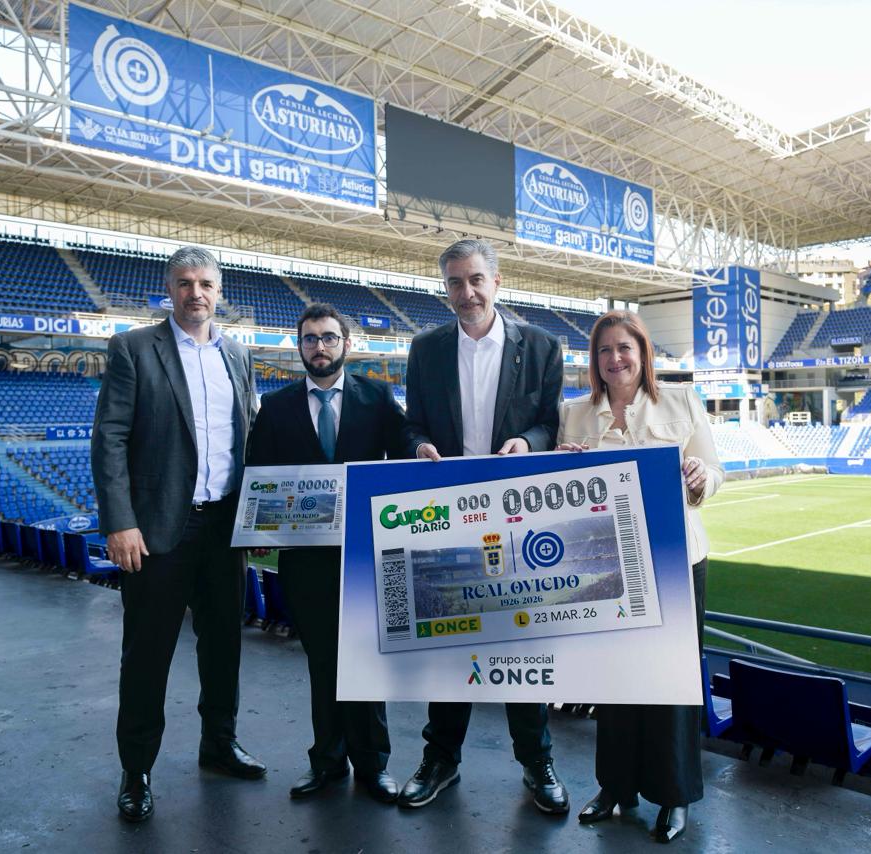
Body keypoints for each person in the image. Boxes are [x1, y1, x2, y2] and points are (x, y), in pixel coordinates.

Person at [91, 245, 264, 824]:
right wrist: (119, 521)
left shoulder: (238, 355)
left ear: (220, 291)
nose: (196, 293)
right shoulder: (135, 348)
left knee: (224, 648)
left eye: (206, 284)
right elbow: (109, 438)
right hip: (159, 528)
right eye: (185, 283)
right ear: (170, 289)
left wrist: (260, 519)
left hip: (225, 526)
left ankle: (219, 743)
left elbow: (250, 440)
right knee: (147, 655)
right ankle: (136, 770)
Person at [398, 238, 568, 814]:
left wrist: (529, 442)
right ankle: (440, 758)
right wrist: (418, 443)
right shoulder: (425, 350)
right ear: (444, 287)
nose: (465, 293)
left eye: (475, 280)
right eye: (454, 283)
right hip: (447, 518)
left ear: (496, 282)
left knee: (520, 641)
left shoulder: (542, 347)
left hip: (516, 518)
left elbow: (550, 424)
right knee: (452, 645)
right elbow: (412, 422)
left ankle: (536, 761)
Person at [556, 309, 722, 844]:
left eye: (624, 348)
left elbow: (715, 474)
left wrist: (701, 477)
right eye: (604, 350)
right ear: (594, 360)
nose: (614, 359)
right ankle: (615, 788)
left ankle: (674, 797)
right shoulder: (574, 414)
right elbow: (563, 495)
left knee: (673, 684)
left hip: (675, 561)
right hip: (609, 565)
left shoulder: (680, 400)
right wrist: (560, 468)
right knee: (615, 680)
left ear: (643, 352)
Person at [246, 304, 406, 804]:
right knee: (321, 662)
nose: (320, 347)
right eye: (311, 339)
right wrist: (258, 530)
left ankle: (374, 765)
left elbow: (403, 458)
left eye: (329, 338)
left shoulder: (377, 396)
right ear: (299, 347)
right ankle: (328, 761)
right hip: (306, 559)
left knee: (364, 660)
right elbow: (258, 474)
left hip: (364, 554)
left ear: (346, 346)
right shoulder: (275, 406)